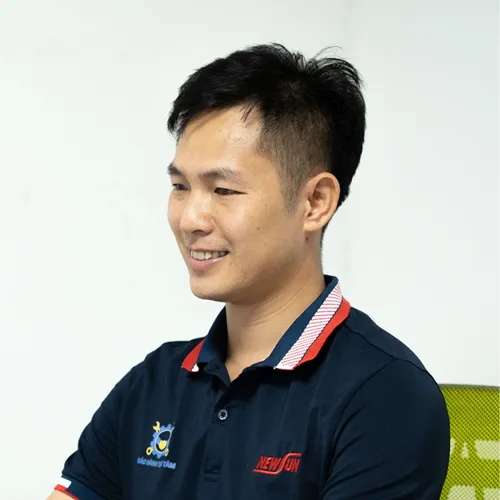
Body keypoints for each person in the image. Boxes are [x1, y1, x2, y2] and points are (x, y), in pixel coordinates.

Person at [48, 43, 450, 500]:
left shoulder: (385, 394)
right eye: (180, 186)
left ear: (315, 202)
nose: (190, 219)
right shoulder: (154, 382)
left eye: (223, 190)